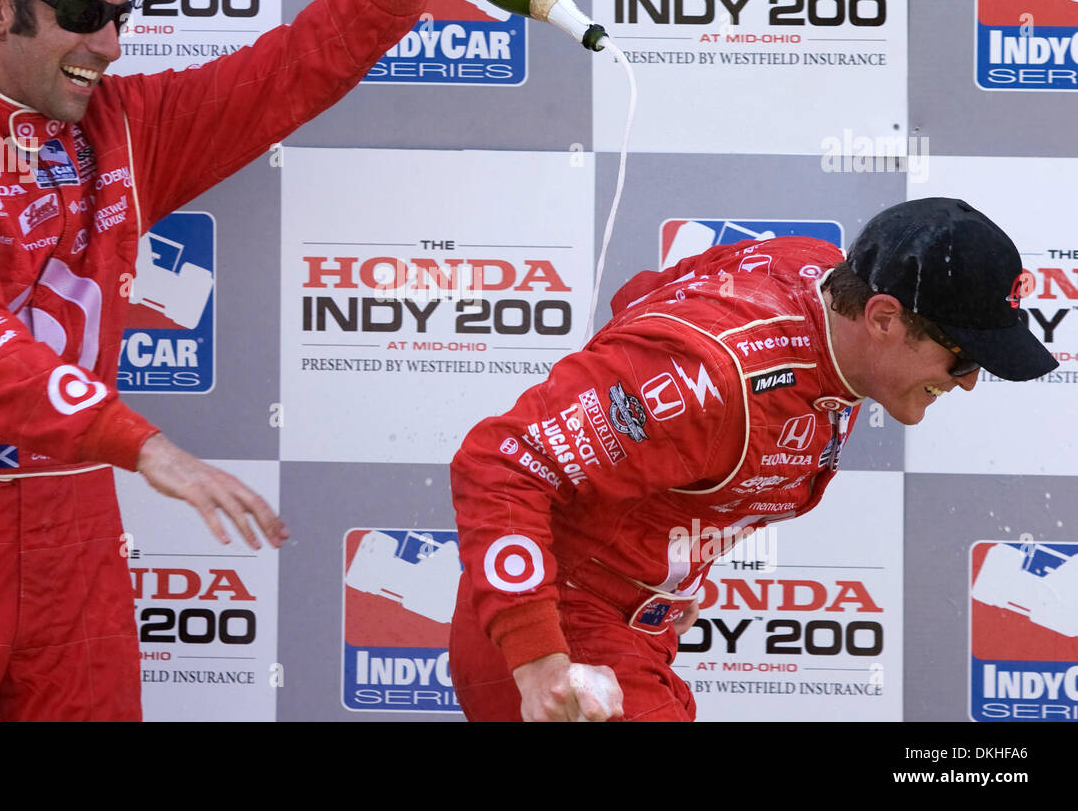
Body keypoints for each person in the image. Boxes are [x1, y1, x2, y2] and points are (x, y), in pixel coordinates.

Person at [0, 0, 507, 722]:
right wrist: (142, 446)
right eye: (78, 12)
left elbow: (283, 75)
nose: (106, 42)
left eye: (117, 16)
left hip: (75, 527)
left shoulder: (122, 128)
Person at [448, 198, 1056, 721]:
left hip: (635, 624)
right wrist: (538, 661)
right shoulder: (707, 381)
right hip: (561, 631)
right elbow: (500, 465)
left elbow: (644, 294)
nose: (970, 383)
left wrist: (665, 555)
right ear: (884, 318)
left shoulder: (814, 269)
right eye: (963, 359)